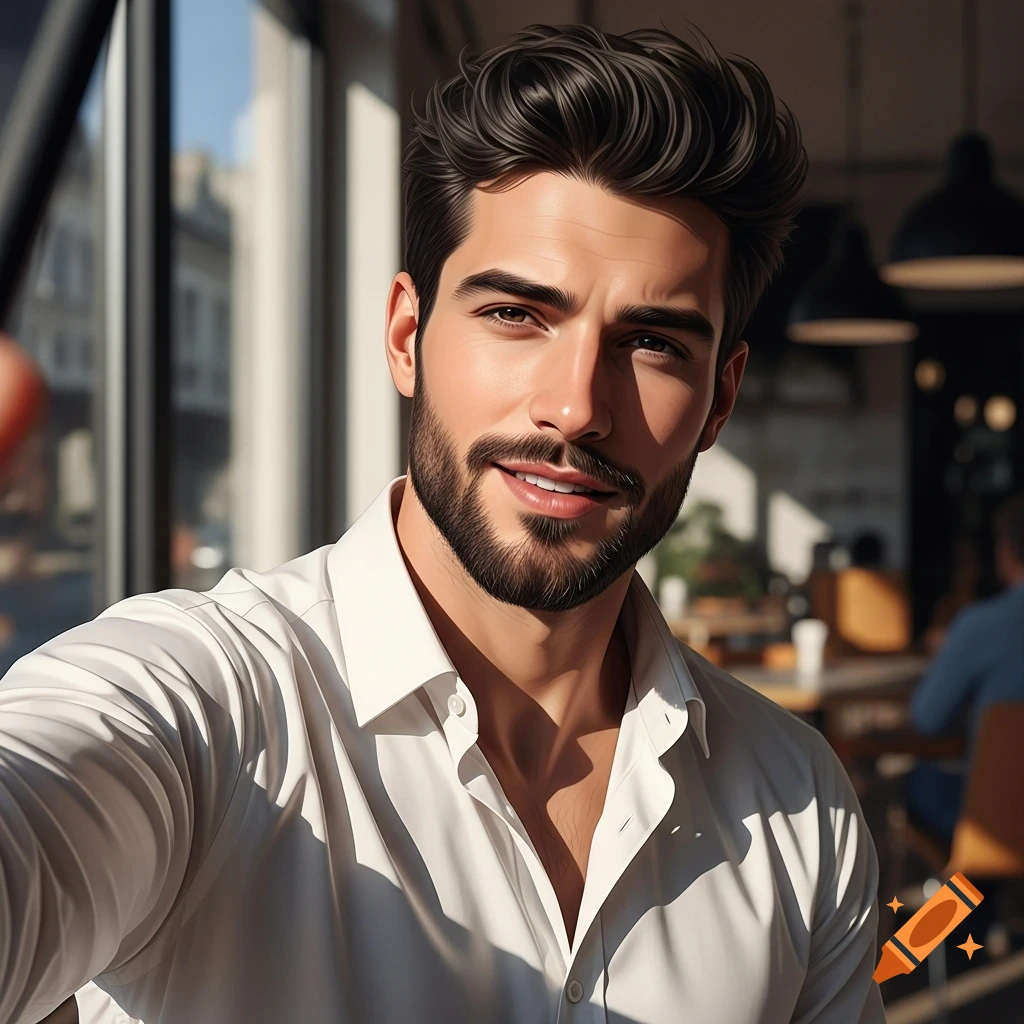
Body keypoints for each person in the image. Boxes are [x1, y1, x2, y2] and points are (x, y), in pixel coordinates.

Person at [0, 23, 884, 1024]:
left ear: (719, 400)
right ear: (407, 337)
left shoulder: (795, 795)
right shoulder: (204, 702)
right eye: (517, 315)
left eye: (650, 343)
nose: (575, 407)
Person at [906, 494, 1024, 847]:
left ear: (1005, 552)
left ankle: (967, 899)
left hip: (999, 819)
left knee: (918, 785)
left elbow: (927, 718)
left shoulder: (980, 625)